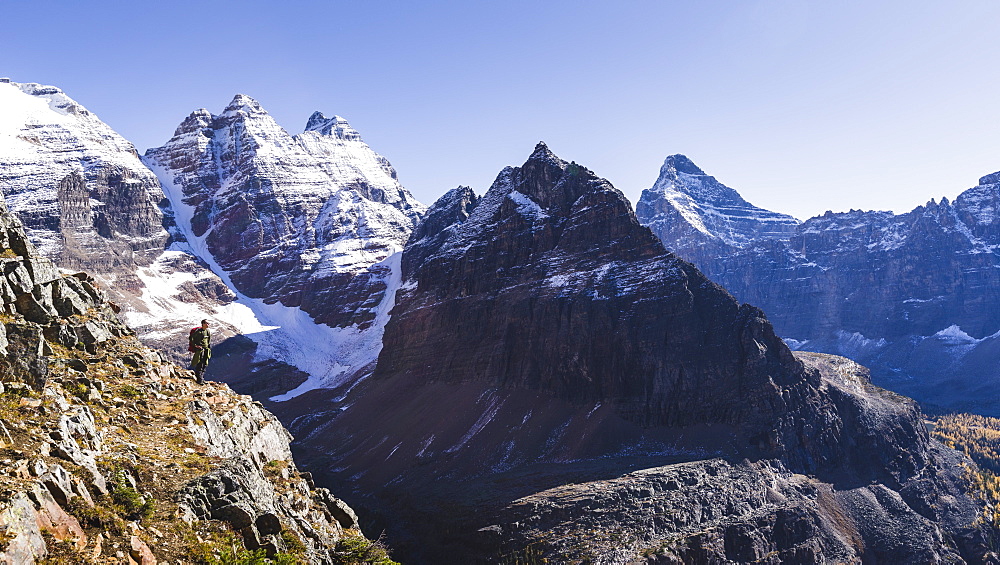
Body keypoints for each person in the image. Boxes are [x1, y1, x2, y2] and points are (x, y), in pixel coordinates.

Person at [189, 319, 211, 384]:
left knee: (204, 364)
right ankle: (199, 379)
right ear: (203, 324)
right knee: (200, 364)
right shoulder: (198, 332)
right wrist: (195, 346)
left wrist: (208, 348)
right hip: (200, 350)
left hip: (206, 350)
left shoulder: (207, 331)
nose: (208, 325)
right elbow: (191, 338)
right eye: (207, 323)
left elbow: (208, 340)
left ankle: (202, 378)